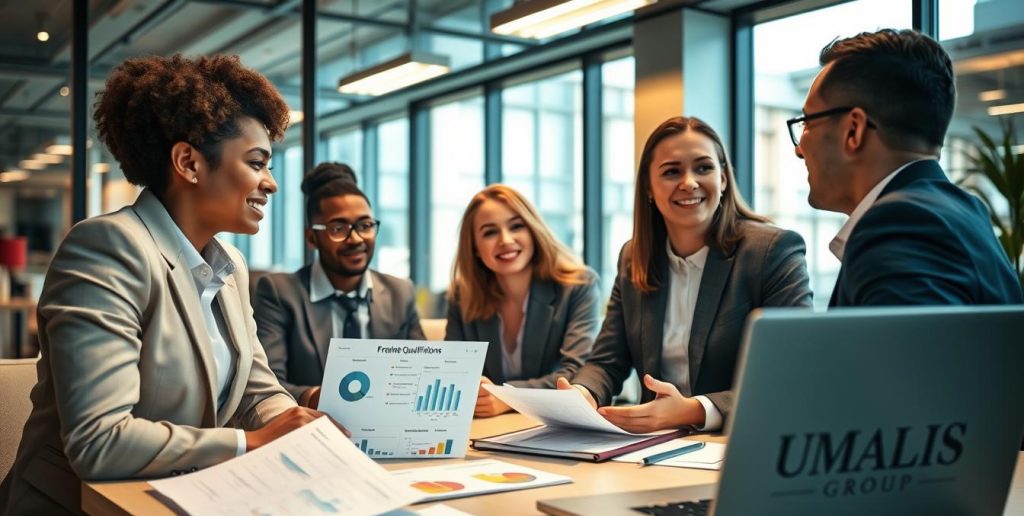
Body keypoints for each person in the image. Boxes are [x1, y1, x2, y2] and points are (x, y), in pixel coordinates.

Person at [0, 55, 332, 516]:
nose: (270, 183)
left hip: (184, 511)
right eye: (257, 162)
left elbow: (254, 391)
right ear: (189, 162)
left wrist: (302, 424)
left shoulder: (230, 267)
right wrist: (254, 443)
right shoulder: (107, 247)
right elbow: (100, 441)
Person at [559, 116, 813, 433]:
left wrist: (694, 410)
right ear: (649, 188)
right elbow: (607, 361)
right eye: (671, 171)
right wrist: (583, 393)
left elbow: (792, 376)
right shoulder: (633, 257)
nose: (689, 182)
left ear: (723, 178)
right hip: (654, 448)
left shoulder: (771, 251)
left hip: (742, 441)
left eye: (703, 168)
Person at [791, 28, 1023, 305]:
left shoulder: (900, 224)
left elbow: (903, 350)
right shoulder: (965, 211)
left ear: (854, 130)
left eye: (807, 123)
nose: (798, 149)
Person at [254, 162, 424, 408]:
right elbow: (266, 385)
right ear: (312, 237)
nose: (355, 239)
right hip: (312, 430)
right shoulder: (279, 292)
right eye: (338, 228)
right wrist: (316, 397)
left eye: (365, 226)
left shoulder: (400, 292)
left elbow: (422, 374)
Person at [445, 184, 601, 417]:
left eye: (516, 226)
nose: (505, 240)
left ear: (533, 231)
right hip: (485, 430)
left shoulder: (578, 286)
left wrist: (506, 397)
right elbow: (451, 372)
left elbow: (576, 373)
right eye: (489, 232)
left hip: (553, 424)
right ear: (475, 248)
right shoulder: (462, 296)